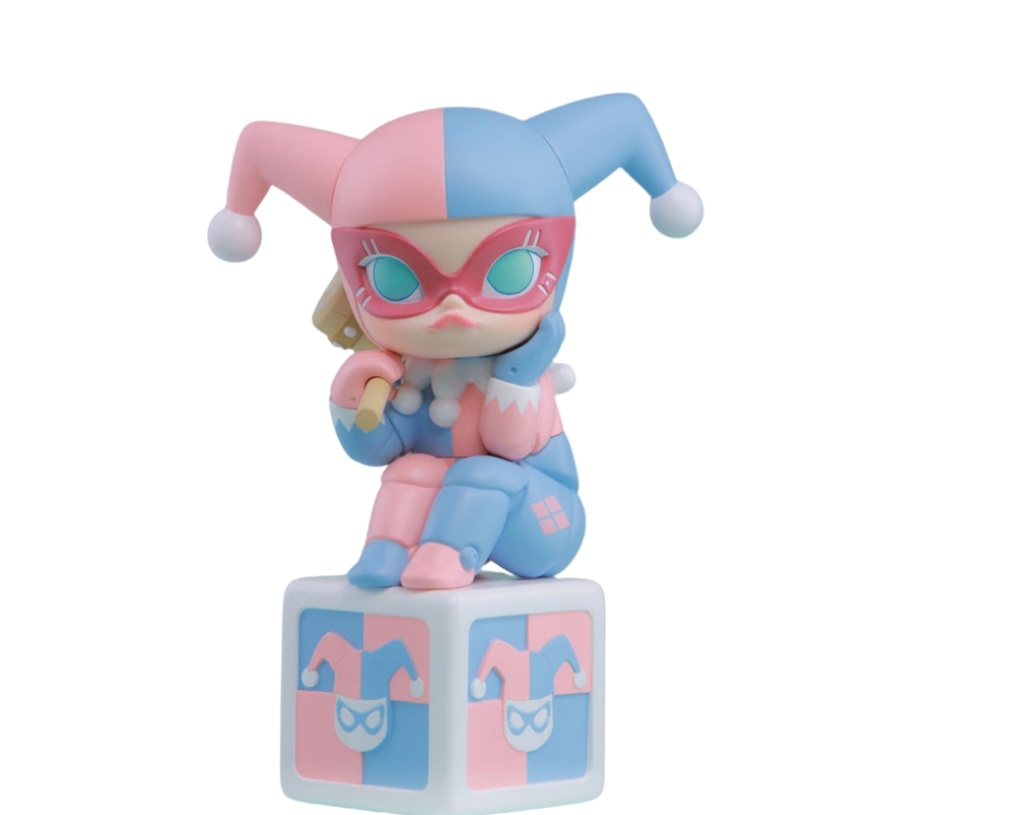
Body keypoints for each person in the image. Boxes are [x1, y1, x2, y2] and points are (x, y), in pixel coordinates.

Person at [208, 94, 702, 589]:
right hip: (442, 501)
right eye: (394, 277)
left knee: (483, 474)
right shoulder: (411, 372)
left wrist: (516, 375)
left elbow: (509, 446)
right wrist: (352, 389)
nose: (452, 308)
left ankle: (448, 556)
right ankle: (386, 551)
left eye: (509, 270)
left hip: (544, 517)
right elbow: (377, 449)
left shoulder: (525, 373)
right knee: (412, 470)